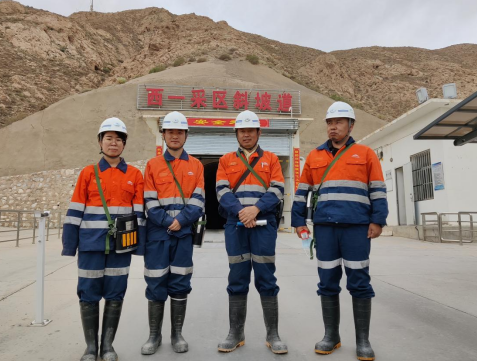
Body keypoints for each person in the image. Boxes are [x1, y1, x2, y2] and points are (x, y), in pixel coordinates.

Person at [291, 102, 388, 361]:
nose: (333, 127)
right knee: (327, 281)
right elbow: (302, 192)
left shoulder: (365, 154)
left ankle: (363, 341)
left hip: (357, 228)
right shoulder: (314, 157)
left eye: (339, 122)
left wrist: (378, 220)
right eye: (330, 123)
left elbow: (378, 189)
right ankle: (331, 336)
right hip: (325, 228)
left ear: (351, 125)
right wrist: (298, 221)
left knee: (359, 281)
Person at [62, 117, 146, 361]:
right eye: (108, 138)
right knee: (88, 293)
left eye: (119, 139)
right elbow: (75, 209)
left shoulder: (134, 175)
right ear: (100, 142)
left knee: (115, 292)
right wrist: (70, 245)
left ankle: (108, 346)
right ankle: (91, 347)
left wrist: (138, 246)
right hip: (91, 244)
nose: (113, 143)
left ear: (124, 144)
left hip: (121, 247)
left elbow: (139, 214)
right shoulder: (88, 173)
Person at [216, 110, 288, 355]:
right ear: (236, 133)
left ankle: (273, 334)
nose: (246, 134)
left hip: (264, 225)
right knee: (237, 277)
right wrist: (241, 212)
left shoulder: (271, 159)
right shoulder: (226, 160)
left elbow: (277, 188)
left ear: (258, 132)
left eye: (250, 130)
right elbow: (222, 191)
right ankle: (235, 333)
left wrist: (255, 209)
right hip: (235, 226)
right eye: (242, 131)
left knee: (266, 276)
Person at [141, 111, 205, 355]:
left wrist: (181, 221)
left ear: (186, 135)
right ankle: (154, 335)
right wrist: (169, 222)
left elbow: (199, 200)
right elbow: (149, 200)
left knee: (180, 281)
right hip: (158, 235)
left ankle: (177, 334)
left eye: (179, 132)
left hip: (183, 235)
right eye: (170, 132)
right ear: (164, 134)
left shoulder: (196, 165)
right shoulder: (153, 165)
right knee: (156, 281)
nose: (175, 136)